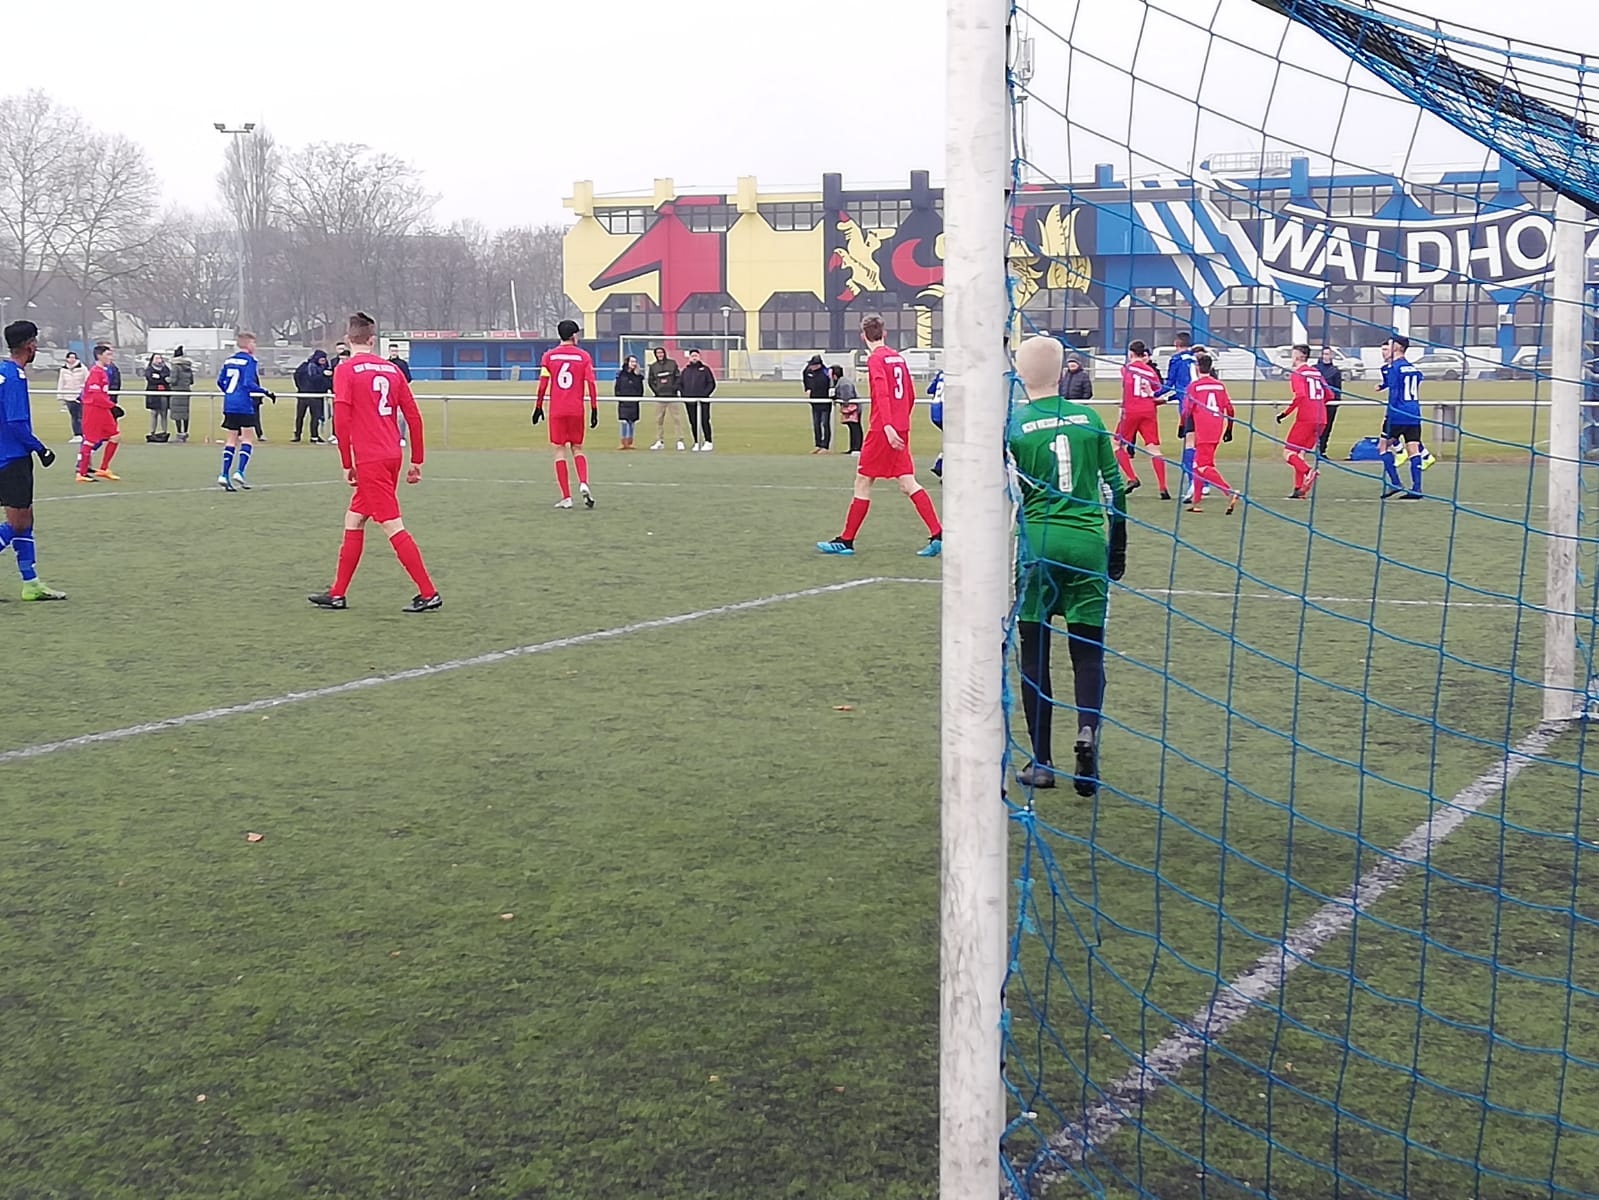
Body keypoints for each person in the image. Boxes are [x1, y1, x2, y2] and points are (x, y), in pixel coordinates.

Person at [1007, 335, 1125, 793]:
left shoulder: (1015, 425)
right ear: (1062, 372)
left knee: (1035, 653)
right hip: (1087, 543)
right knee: (1088, 654)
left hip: (1038, 546)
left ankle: (1042, 762)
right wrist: (1118, 547)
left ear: (1020, 373)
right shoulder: (1090, 418)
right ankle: (1087, 734)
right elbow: (1114, 487)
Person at [308, 312, 440, 613]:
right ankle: (338, 593)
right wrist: (417, 459)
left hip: (370, 459)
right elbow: (414, 417)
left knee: (392, 524)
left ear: (348, 339)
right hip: (392, 455)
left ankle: (429, 592)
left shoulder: (345, 370)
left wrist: (346, 462)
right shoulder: (392, 370)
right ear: (372, 340)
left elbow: (342, 420)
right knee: (354, 519)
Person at [816, 314, 942, 558]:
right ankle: (938, 534)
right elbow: (910, 394)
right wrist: (901, 421)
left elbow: (881, 394)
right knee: (907, 483)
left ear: (863, 336)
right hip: (900, 427)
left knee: (863, 480)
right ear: (884, 333)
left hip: (883, 430)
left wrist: (887, 426)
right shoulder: (898, 358)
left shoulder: (875, 359)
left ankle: (846, 540)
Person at [0, 320, 66, 601]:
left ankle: (31, 583)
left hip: (5, 456)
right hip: (12, 458)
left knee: (24, 520)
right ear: (30, 345)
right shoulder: (15, 376)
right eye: (35, 342)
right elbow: (16, 423)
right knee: (17, 523)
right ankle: (31, 583)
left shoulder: (2, 370)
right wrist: (40, 449)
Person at [534, 318, 599, 509]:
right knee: (577, 448)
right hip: (576, 410)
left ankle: (566, 497)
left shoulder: (549, 357)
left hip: (557, 410)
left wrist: (538, 406)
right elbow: (591, 383)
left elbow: (543, 385)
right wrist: (594, 408)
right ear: (573, 335)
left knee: (559, 450)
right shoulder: (584, 356)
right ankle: (583, 482)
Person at [216, 332, 273, 492]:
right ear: (248, 344)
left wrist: (229, 393)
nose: (255, 346)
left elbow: (220, 381)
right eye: (253, 343)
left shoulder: (229, 360)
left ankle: (224, 474)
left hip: (229, 404)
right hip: (243, 404)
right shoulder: (250, 360)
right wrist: (265, 391)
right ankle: (240, 472)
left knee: (231, 439)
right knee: (247, 438)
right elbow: (248, 383)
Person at [1184, 352, 1240, 515]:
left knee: (1203, 466)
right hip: (1217, 428)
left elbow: (1187, 410)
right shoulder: (1220, 386)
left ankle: (1230, 492)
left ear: (1197, 367)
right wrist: (1229, 429)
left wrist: (1182, 426)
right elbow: (1230, 409)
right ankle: (1196, 502)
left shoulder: (1194, 386)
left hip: (1203, 430)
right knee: (1198, 465)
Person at [1114, 340, 1171, 499]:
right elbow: (1158, 390)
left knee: (1117, 444)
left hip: (1131, 410)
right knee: (1154, 449)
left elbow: (1127, 386)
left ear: (1131, 353)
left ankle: (1132, 478)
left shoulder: (1126, 368)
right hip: (1149, 410)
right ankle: (1163, 487)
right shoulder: (1151, 371)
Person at [1376, 334, 1425, 500]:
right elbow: (1419, 378)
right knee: (1413, 449)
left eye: (1389, 345)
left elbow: (1395, 392)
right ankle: (1417, 488)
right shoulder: (1412, 368)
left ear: (1397, 347)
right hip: (1414, 413)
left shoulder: (1393, 368)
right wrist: (1383, 385)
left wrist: (1388, 415)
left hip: (1397, 414)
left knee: (1383, 447)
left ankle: (1395, 483)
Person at [1278, 344, 1329, 499]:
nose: (1292, 358)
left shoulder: (1298, 373)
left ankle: (1308, 472)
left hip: (1306, 418)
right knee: (1299, 454)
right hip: (1322, 418)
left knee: (1288, 453)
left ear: (1299, 356)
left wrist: (1285, 413)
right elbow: (1330, 394)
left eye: (1293, 354)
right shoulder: (1316, 372)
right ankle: (1299, 490)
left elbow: (1300, 395)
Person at [75, 344, 123, 482]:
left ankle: (103, 469)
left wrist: (110, 407)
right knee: (90, 440)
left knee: (115, 436)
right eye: (108, 354)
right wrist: (112, 406)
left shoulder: (103, 371)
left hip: (103, 408)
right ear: (99, 356)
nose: (111, 357)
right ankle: (81, 473)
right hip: (93, 409)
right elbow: (96, 396)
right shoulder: (95, 372)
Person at [1160, 334, 1199, 501]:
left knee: (1189, 444)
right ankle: (1204, 484)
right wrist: (1168, 398)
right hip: (1204, 405)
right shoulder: (1197, 358)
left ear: (1176, 344)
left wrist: (1152, 394)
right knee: (1200, 445)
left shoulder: (1176, 360)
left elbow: (1170, 384)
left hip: (1188, 406)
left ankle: (1194, 484)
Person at [646, 346, 686, 451]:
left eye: (661, 353)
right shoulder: (653, 366)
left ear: (664, 353)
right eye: (658, 353)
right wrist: (656, 391)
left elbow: (678, 378)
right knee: (659, 420)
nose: (660, 355)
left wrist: (674, 389)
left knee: (677, 419)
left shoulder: (672, 363)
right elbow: (650, 381)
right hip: (660, 397)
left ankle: (680, 441)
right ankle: (660, 441)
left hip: (672, 397)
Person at [292, 348, 333, 443]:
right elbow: (298, 376)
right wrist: (301, 388)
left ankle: (314, 436)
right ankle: (297, 435)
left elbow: (327, 382)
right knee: (300, 416)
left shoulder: (325, 368)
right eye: (321, 358)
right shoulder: (305, 367)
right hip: (304, 395)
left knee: (315, 417)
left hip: (317, 396)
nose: (323, 361)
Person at [679, 348, 716, 451]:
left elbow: (711, 384)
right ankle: (696, 442)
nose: (694, 358)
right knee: (693, 422)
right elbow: (680, 385)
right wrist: (684, 396)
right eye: (692, 356)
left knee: (704, 420)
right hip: (690, 402)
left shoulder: (705, 369)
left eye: (696, 355)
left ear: (699, 357)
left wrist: (704, 395)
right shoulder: (685, 371)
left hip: (703, 401)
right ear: (689, 358)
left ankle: (708, 441)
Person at [1314, 346, 1343, 457]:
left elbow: (1338, 388)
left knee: (1327, 427)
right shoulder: (1315, 369)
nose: (1326, 356)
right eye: (1324, 354)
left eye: (1328, 354)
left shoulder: (1335, 371)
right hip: (1317, 402)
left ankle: (1322, 450)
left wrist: (1337, 401)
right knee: (1315, 426)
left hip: (1330, 403)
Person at [803, 354, 833, 453]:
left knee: (825, 423)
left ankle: (825, 446)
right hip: (814, 402)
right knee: (816, 424)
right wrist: (807, 389)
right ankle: (818, 444)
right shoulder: (808, 371)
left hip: (825, 402)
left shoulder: (826, 372)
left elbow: (832, 384)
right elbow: (805, 378)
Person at [614, 354, 644, 449]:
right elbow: (617, 388)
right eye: (632, 361)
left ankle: (630, 442)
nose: (634, 364)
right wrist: (619, 397)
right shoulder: (621, 375)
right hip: (623, 402)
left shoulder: (638, 376)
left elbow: (640, 389)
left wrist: (638, 398)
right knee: (624, 422)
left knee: (632, 423)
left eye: (635, 362)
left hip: (634, 403)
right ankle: (623, 443)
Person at [57, 350, 87, 443]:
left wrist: (85, 392)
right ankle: (77, 435)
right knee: (74, 416)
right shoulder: (63, 370)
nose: (72, 359)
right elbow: (61, 382)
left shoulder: (83, 368)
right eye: (70, 357)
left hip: (80, 395)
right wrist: (60, 396)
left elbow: (87, 381)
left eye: (73, 357)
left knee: (81, 416)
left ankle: (84, 434)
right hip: (69, 396)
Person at [832, 365, 862, 456]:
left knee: (855, 427)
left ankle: (857, 448)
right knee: (853, 427)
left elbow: (847, 397)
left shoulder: (844, 383)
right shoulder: (843, 381)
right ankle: (854, 448)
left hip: (853, 407)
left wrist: (836, 397)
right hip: (853, 406)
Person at [144, 352, 172, 442]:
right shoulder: (149, 369)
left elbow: (167, 379)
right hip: (153, 394)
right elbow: (151, 379)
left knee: (164, 413)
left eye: (159, 358)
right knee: (154, 413)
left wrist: (160, 378)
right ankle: (152, 432)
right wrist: (161, 379)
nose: (158, 360)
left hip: (163, 394)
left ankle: (164, 431)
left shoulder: (165, 369)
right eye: (156, 358)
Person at [169, 346, 195, 442]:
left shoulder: (175, 367)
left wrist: (168, 380)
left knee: (177, 414)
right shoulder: (188, 367)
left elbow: (173, 380)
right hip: (186, 391)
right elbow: (191, 381)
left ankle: (179, 433)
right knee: (185, 413)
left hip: (177, 392)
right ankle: (186, 432)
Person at [928, 369, 945, 477]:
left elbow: (930, 390)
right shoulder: (959, 374)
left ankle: (940, 466)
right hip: (945, 411)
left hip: (934, 411)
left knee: (950, 438)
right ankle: (940, 466)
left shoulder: (941, 373)